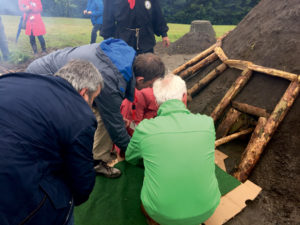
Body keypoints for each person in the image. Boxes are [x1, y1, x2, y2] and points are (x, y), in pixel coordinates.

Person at [26, 39, 165, 178]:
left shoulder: (125, 57)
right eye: (150, 84)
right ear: (140, 79)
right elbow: (116, 129)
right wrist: (137, 155)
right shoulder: (111, 80)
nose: (150, 89)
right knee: (64, 125)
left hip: (49, 69)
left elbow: (108, 109)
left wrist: (115, 117)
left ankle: (96, 160)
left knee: (104, 117)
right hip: (43, 79)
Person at [0, 60, 104, 225]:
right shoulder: (80, 115)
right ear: (84, 93)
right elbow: (82, 180)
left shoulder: (17, 78)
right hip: (17, 198)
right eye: (93, 99)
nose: (91, 105)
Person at [126, 74, 221, 225]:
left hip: (161, 213)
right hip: (207, 208)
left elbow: (130, 157)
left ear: (157, 103)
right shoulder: (207, 123)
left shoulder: (145, 128)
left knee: (147, 193)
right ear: (184, 97)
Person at [101, 0, 170, 54]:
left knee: (147, 67)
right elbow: (108, 15)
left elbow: (157, 12)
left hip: (146, 37)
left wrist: (164, 34)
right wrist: (106, 38)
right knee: (125, 68)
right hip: (122, 39)